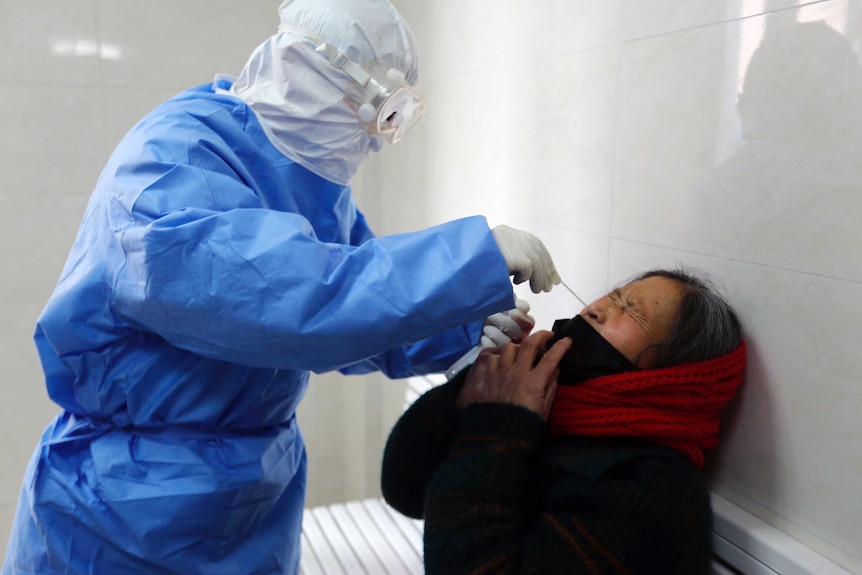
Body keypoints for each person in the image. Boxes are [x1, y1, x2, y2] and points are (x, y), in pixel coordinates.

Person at [1, 1, 562, 574]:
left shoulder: (301, 171)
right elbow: (291, 301)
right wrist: (467, 266)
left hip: (254, 499)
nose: (375, 142)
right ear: (310, 74)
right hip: (125, 510)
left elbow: (358, 294)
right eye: (375, 114)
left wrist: (458, 328)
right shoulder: (165, 169)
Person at [381, 267, 747, 574]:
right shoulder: (550, 411)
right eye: (613, 297)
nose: (594, 310)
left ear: (675, 376)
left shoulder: (649, 490)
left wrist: (497, 427)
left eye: (631, 312)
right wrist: (467, 394)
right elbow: (404, 491)